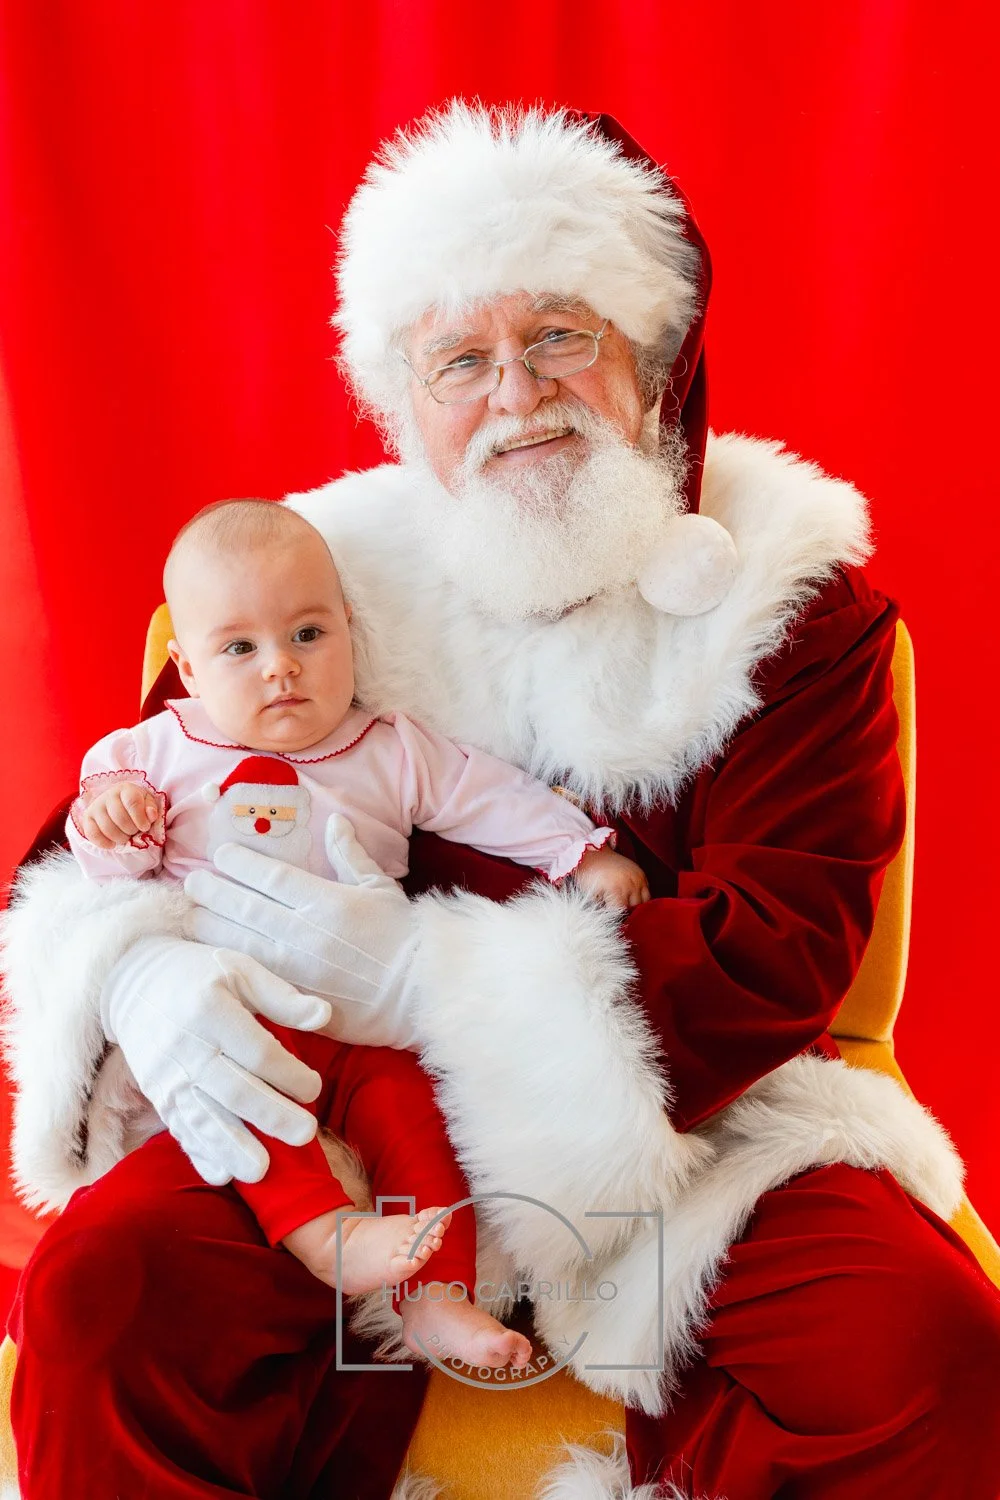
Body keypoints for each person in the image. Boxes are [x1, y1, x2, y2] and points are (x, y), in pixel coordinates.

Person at [3, 101, 1000, 1499]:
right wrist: (138, 971)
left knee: (921, 1344)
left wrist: (427, 981)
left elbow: (778, 943)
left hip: (696, 1138)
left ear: (649, 357)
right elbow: (112, 819)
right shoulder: (312, 578)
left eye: (559, 336)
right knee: (106, 1298)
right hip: (338, 1123)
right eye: (459, 358)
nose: (515, 393)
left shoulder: (794, 610)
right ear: (402, 403)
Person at [64, 496, 644, 1375]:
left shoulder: (385, 747)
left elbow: (485, 795)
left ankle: (440, 1299)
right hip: (232, 1014)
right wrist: (113, 823)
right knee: (244, 1106)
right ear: (185, 666)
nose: (280, 671)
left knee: (418, 1112)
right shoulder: (152, 754)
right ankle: (324, 1235)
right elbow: (97, 887)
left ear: (349, 630)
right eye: (239, 649)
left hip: (367, 1017)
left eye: (307, 634)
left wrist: (580, 852)